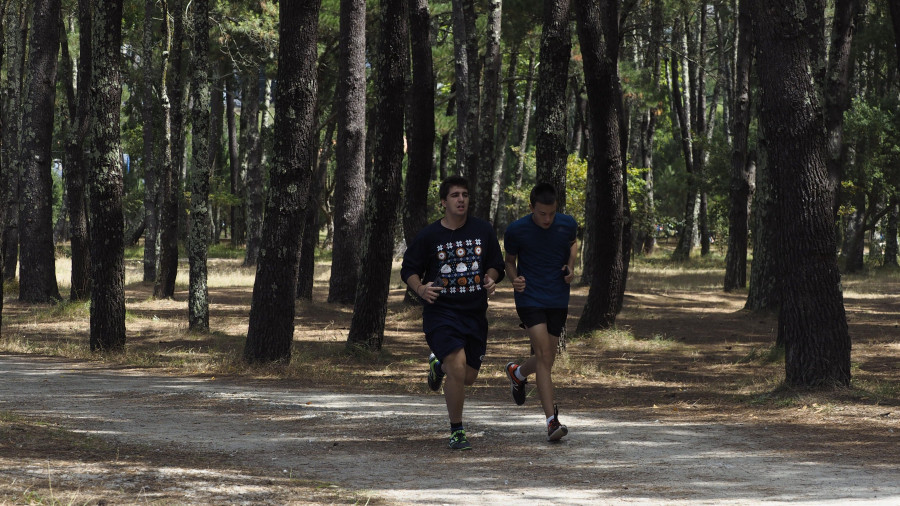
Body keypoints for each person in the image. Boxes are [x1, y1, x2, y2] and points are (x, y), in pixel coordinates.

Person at [400, 175, 505, 450]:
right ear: (444, 202)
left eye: (465, 195)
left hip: (474, 314)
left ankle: (438, 365)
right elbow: (408, 269)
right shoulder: (429, 235)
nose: (461, 199)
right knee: (457, 367)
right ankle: (457, 430)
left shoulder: (483, 230)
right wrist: (420, 289)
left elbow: (496, 264)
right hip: (441, 313)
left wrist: (491, 278)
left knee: (467, 377)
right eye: (456, 195)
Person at [503, 183, 577, 442]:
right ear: (531, 207)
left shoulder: (567, 224)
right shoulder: (516, 230)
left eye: (552, 213)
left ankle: (518, 373)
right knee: (544, 355)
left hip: (557, 298)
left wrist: (570, 267)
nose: (547, 219)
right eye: (542, 213)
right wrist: (514, 279)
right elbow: (509, 261)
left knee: (548, 359)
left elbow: (573, 244)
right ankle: (551, 421)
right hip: (530, 298)